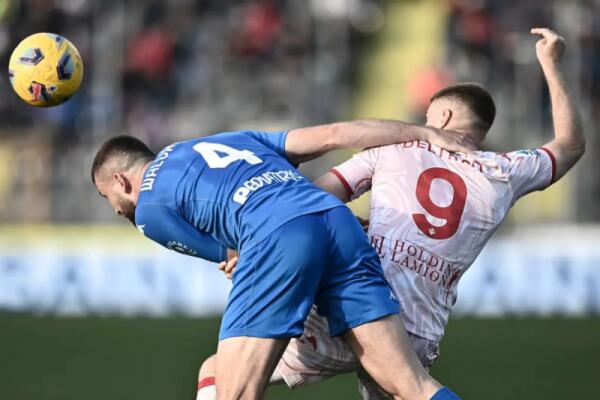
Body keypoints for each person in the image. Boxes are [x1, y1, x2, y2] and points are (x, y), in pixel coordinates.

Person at [196, 27, 585, 399]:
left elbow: (310, 201)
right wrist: (551, 64)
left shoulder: (392, 149)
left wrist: (253, 247)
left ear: (444, 118)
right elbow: (570, 146)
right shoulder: (506, 171)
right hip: (418, 325)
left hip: (354, 298)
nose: (421, 122)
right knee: (414, 388)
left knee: (219, 371)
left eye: (427, 115)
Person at [92, 116, 474, 399]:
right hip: (336, 220)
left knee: (232, 392)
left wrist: (241, 256)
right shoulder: (232, 139)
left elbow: (234, 255)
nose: (116, 210)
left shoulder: (149, 210)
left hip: (278, 235)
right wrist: (425, 132)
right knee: (410, 384)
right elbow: (334, 134)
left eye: (107, 197)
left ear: (120, 182)